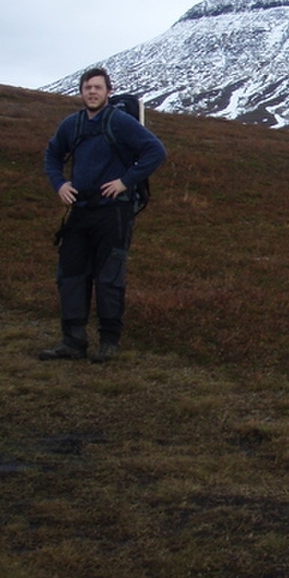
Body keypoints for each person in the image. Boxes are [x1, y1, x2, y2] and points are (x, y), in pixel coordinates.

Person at [41, 67, 166, 362]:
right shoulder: (72, 125)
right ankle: (73, 342)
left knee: (109, 277)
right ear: (81, 92)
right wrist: (59, 184)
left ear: (109, 92)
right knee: (70, 275)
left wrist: (125, 181)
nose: (92, 92)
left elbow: (155, 151)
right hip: (80, 211)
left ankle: (109, 342)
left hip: (114, 213)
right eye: (87, 87)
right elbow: (52, 154)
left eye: (97, 87)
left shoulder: (120, 122)